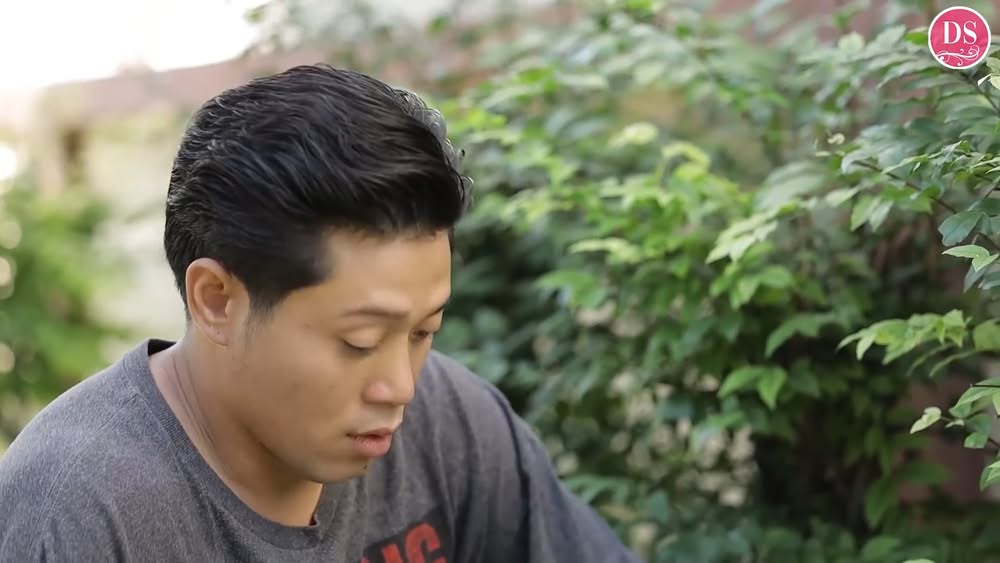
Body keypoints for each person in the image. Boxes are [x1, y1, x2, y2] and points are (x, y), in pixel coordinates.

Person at [0, 64, 643, 563]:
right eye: (359, 341)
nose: (400, 387)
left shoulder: (450, 426)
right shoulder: (79, 510)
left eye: (424, 332)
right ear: (217, 300)